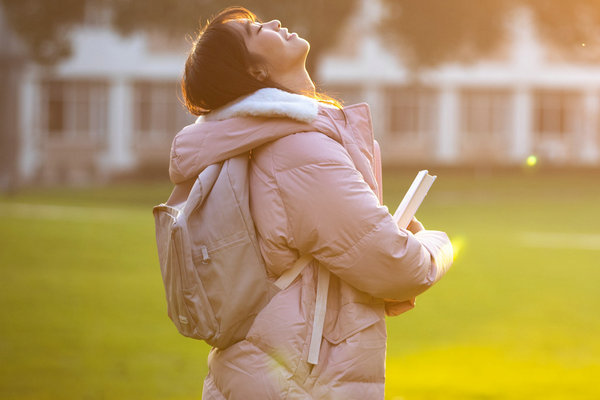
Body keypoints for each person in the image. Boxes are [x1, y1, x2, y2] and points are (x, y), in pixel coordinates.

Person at [169, 6, 454, 400]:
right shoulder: (298, 150)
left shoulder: (263, 142)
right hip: (299, 384)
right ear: (255, 72)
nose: (271, 22)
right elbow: (396, 265)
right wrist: (437, 245)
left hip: (270, 376)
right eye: (255, 32)